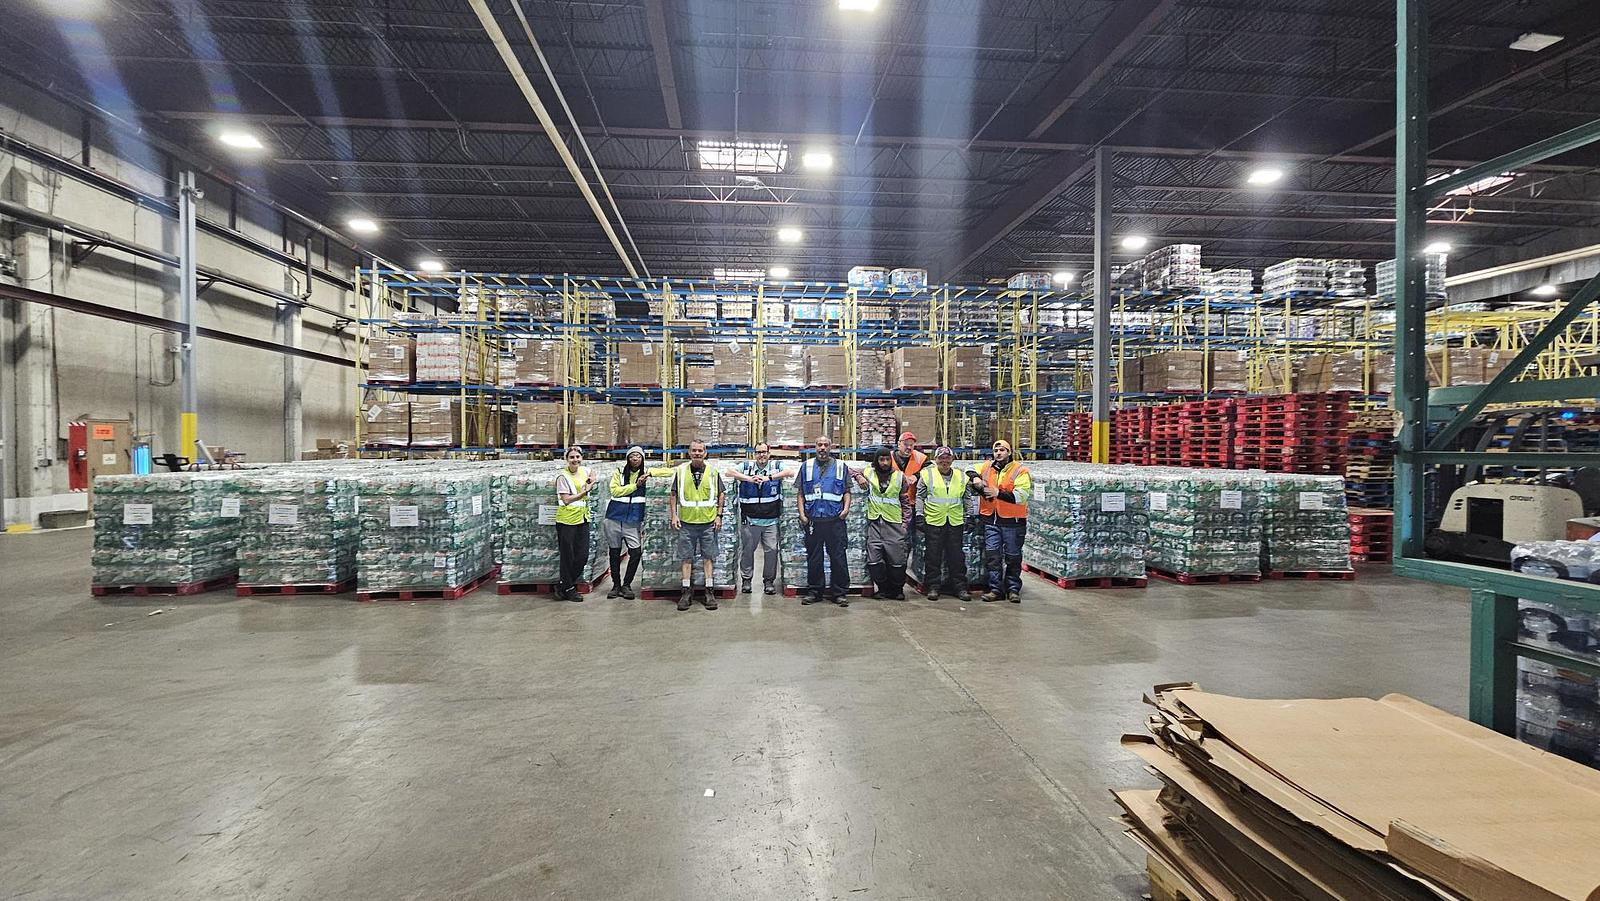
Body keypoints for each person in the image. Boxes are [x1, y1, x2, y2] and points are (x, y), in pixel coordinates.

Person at [729, 442, 796, 595]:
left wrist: (768, 478)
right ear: (754, 454)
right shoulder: (746, 467)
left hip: (771, 520)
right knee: (747, 551)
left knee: (771, 551)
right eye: (758, 452)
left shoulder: (776, 466)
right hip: (750, 520)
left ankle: (768, 581)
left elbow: (790, 472)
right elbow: (729, 472)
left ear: (769, 453)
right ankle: (746, 579)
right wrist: (748, 479)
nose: (761, 455)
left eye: (764, 452)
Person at [795, 435, 852, 607]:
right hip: (813, 521)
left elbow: (847, 490)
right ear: (815, 447)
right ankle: (814, 591)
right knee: (814, 558)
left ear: (831, 447)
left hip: (835, 520)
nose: (822, 448)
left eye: (826, 445)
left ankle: (840, 593)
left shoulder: (841, 467)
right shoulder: (806, 466)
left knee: (838, 557)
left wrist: (846, 509)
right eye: (819, 444)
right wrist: (802, 514)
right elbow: (800, 493)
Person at [974, 439, 1032, 603]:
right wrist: (976, 480)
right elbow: (970, 470)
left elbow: (1021, 496)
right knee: (993, 556)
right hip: (991, 520)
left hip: (1012, 522)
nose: (998, 453)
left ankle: (1013, 589)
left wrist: (997, 493)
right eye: (996, 450)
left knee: (1013, 556)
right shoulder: (987, 467)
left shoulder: (1020, 470)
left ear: (1009, 452)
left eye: (1002, 450)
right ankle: (995, 589)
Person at [668, 439, 724, 611]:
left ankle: (709, 592)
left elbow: (721, 493)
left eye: (700, 450)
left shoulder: (713, 472)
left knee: (708, 558)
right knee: (686, 558)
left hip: (708, 523)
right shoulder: (682, 471)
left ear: (705, 453)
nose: (697, 453)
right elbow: (673, 494)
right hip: (686, 523)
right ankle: (686, 592)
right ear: (689, 453)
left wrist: (719, 515)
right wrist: (674, 515)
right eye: (694, 450)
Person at [850, 445, 911, 600]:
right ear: (876, 460)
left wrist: (904, 525)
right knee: (874, 561)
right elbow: (847, 468)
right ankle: (883, 589)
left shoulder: (900, 477)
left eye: (887, 459)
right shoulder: (869, 472)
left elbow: (905, 501)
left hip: (894, 524)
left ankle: (897, 590)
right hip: (875, 524)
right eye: (881, 459)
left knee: (897, 561)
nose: (884, 463)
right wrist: (858, 477)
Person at [917, 446, 970, 601]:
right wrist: (919, 515)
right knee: (933, 556)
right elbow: (920, 497)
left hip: (955, 522)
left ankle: (960, 587)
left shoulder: (961, 476)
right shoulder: (927, 475)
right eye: (941, 458)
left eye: (947, 458)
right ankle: (933, 587)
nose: (944, 461)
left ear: (952, 460)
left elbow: (966, 498)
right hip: (934, 521)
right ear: (936, 460)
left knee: (956, 556)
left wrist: (970, 516)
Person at [603, 446, 650, 600]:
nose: (635, 459)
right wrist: (635, 486)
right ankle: (616, 585)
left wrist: (651, 473)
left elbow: (668, 472)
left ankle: (627, 584)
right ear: (627, 459)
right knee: (614, 553)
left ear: (642, 458)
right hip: (614, 518)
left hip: (632, 521)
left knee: (635, 552)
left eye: (638, 456)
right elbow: (615, 491)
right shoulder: (619, 473)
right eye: (632, 456)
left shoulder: (647, 473)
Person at [554, 446, 598, 602]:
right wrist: (584, 492)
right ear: (566, 459)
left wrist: (592, 480)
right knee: (568, 556)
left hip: (582, 518)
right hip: (566, 521)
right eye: (572, 457)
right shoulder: (562, 477)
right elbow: (566, 500)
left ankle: (563, 584)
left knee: (582, 555)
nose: (575, 460)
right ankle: (568, 588)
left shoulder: (584, 470)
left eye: (578, 457)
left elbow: (593, 472)